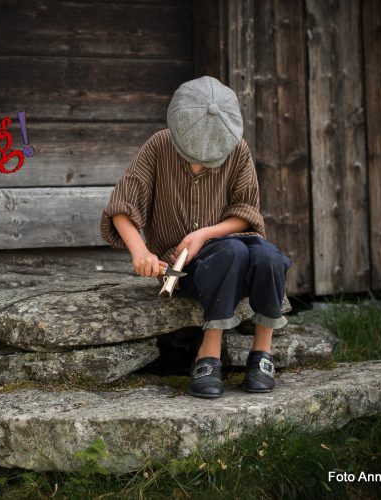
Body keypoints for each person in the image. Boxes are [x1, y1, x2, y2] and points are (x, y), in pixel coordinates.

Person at [100, 76, 292, 398]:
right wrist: (140, 252)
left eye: (209, 159)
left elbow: (246, 211)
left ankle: (262, 352)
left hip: (231, 246)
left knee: (268, 256)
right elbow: (122, 205)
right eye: (193, 155)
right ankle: (209, 351)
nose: (200, 163)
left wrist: (205, 232)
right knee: (231, 252)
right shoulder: (158, 146)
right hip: (185, 267)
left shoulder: (238, 149)